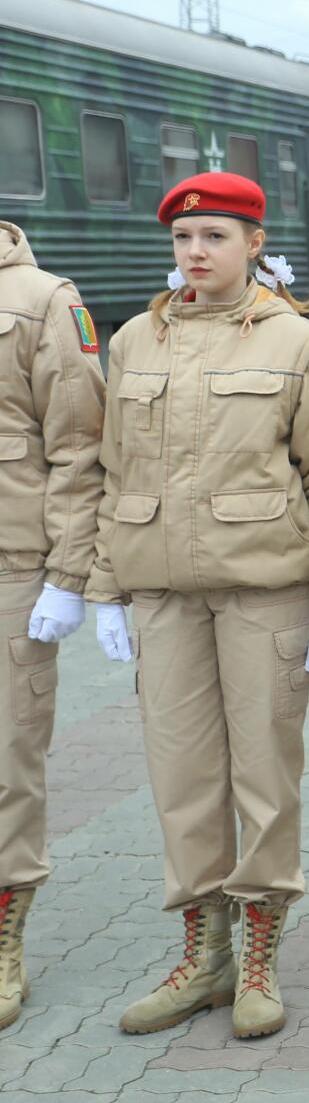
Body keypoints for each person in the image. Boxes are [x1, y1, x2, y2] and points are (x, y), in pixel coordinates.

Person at [89, 173, 309, 1040]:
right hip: (161, 592)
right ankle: (206, 957)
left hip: (263, 591)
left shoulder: (299, 343)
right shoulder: (135, 340)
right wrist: (105, 587)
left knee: (265, 775)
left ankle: (261, 958)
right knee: (183, 778)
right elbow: (113, 470)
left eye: (215, 237)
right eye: (183, 239)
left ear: (253, 244)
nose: (196, 252)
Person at [0, 220, 104, 1033]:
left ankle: (4, 933)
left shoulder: (41, 301)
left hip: (10, 565)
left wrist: (69, 575)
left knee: (8, 759)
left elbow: (79, 446)